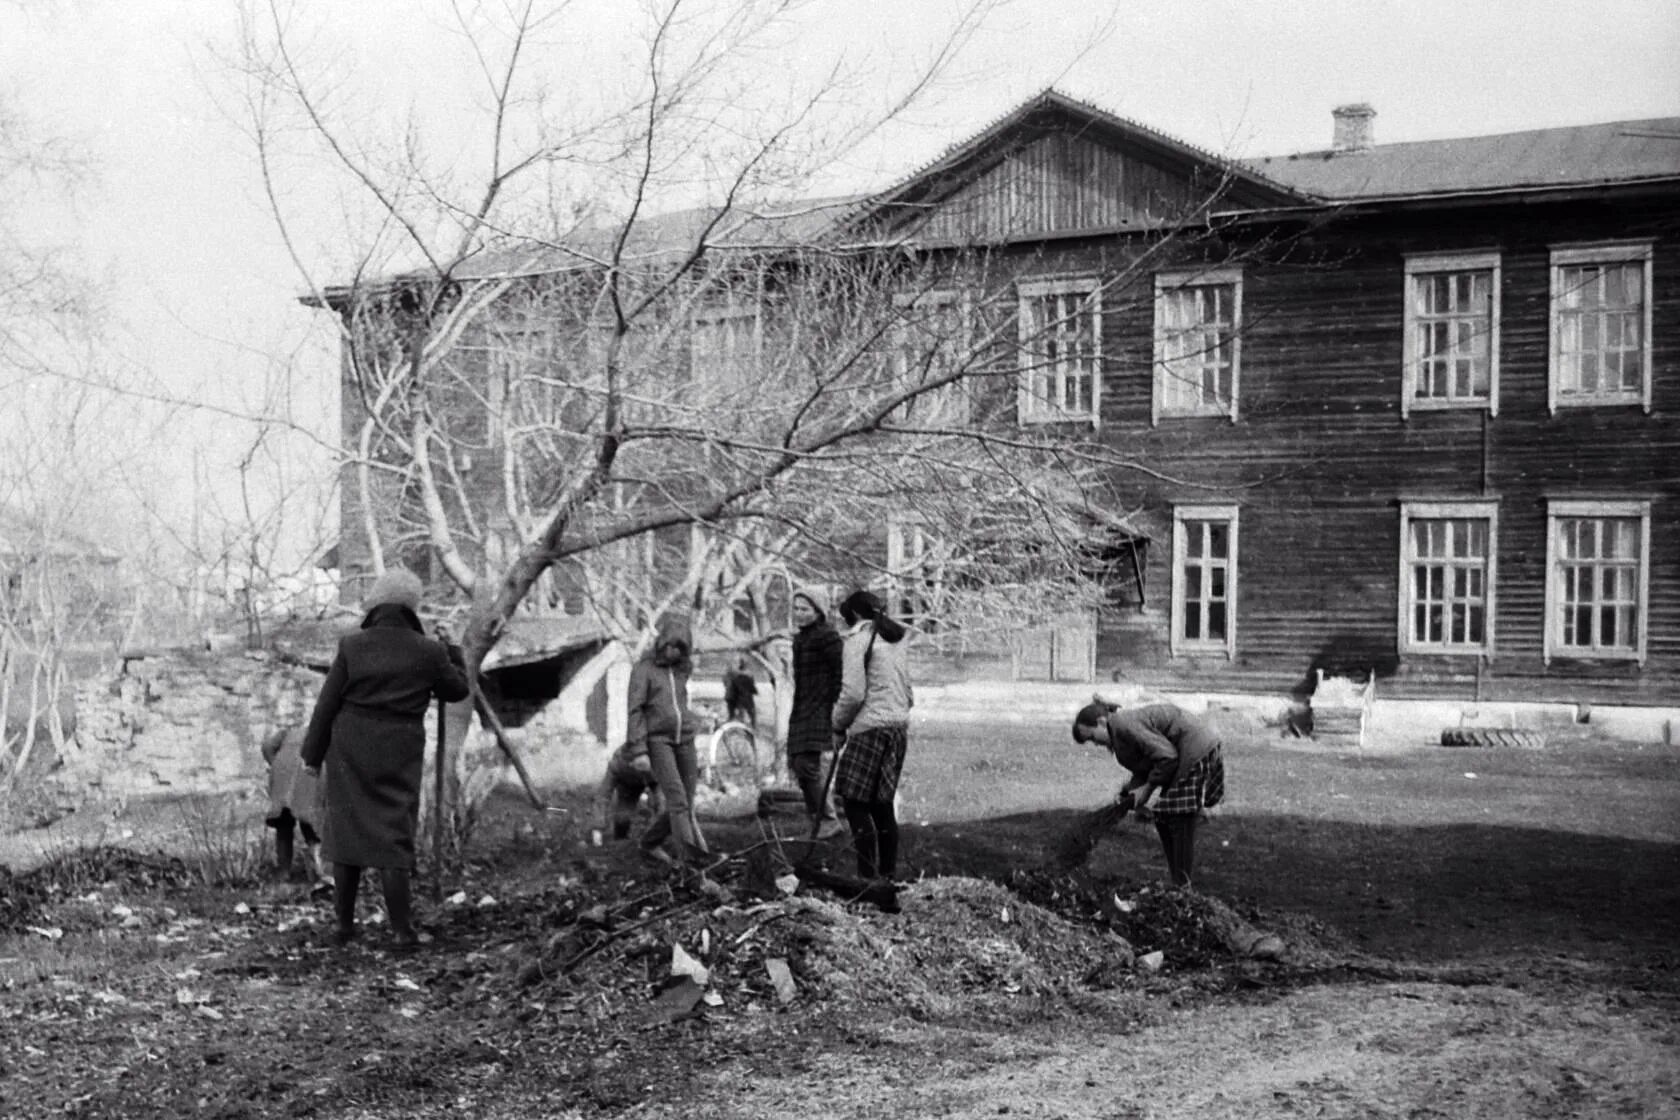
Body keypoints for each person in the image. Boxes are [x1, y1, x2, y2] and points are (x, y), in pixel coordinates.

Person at [300, 569, 469, 948]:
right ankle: (401, 930)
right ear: (412, 607)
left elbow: (326, 707)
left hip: (350, 749)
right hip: (400, 749)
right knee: (393, 834)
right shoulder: (428, 651)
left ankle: (344, 927)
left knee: (347, 837)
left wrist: (311, 755)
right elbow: (457, 691)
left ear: (375, 604)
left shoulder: (351, 645)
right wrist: (453, 648)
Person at [1070, 699, 1226, 888]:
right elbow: (1147, 763)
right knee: (1164, 818)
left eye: (1093, 738)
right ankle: (1179, 883)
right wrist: (1130, 790)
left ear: (1102, 722)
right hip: (1191, 750)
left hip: (1196, 748)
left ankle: (1183, 886)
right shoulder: (1120, 734)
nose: (1095, 744)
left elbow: (1167, 757)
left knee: (1178, 817)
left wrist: (1147, 789)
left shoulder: (1124, 724)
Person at [830, 589, 914, 881]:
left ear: (853, 616)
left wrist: (837, 726)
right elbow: (908, 689)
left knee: (854, 802)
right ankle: (887, 876)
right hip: (897, 727)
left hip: (870, 728)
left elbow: (852, 694)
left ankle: (866, 878)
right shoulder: (894, 639)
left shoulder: (858, 641)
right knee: (882, 804)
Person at [627, 613, 708, 867]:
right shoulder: (644, 669)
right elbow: (635, 710)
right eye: (669, 645)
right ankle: (691, 862)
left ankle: (649, 842)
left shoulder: (683, 669)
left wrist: (694, 722)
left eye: (680, 647)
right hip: (658, 741)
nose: (673, 651)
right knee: (678, 801)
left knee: (687, 802)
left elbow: (680, 703)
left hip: (685, 740)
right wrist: (639, 750)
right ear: (661, 643)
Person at [785, 586, 844, 838]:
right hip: (802, 708)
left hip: (820, 709)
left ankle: (828, 819)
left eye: (804, 609)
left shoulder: (828, 637)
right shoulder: (800, 639)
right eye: (796, 608)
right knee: (799, 765)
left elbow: (841, 675)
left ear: (818, 611)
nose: (799, 613)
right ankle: (818, 821)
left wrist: (834, 709)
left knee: (807, 765)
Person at [261, 722, 325, 881]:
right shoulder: (330, 732)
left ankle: (284, 873)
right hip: (307, 774)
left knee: (283, 825)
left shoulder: (291, 732)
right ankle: (321, 874)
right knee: (311, 824)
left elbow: (267, 745)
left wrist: (275, 765)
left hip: (281, 772)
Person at [595, 738, 660, 843]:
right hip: (628, 785)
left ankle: (655, 841)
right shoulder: (616, 765)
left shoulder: (656, 758)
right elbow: (603, 795)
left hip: (654, 778)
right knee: (622, 817)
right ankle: (621, 842)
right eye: (638, 767)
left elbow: (662, 793)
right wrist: (598, 827)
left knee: (661, 806)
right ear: (630, 763)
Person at [722, 656, 758, 729]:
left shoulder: (735, 675)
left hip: (736, 697)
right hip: (744, 697)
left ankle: (737, 725)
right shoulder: (746, 675)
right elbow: (752, 686)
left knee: (737, 713)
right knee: (750, 713)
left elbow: (726, 684)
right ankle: (751, 727)